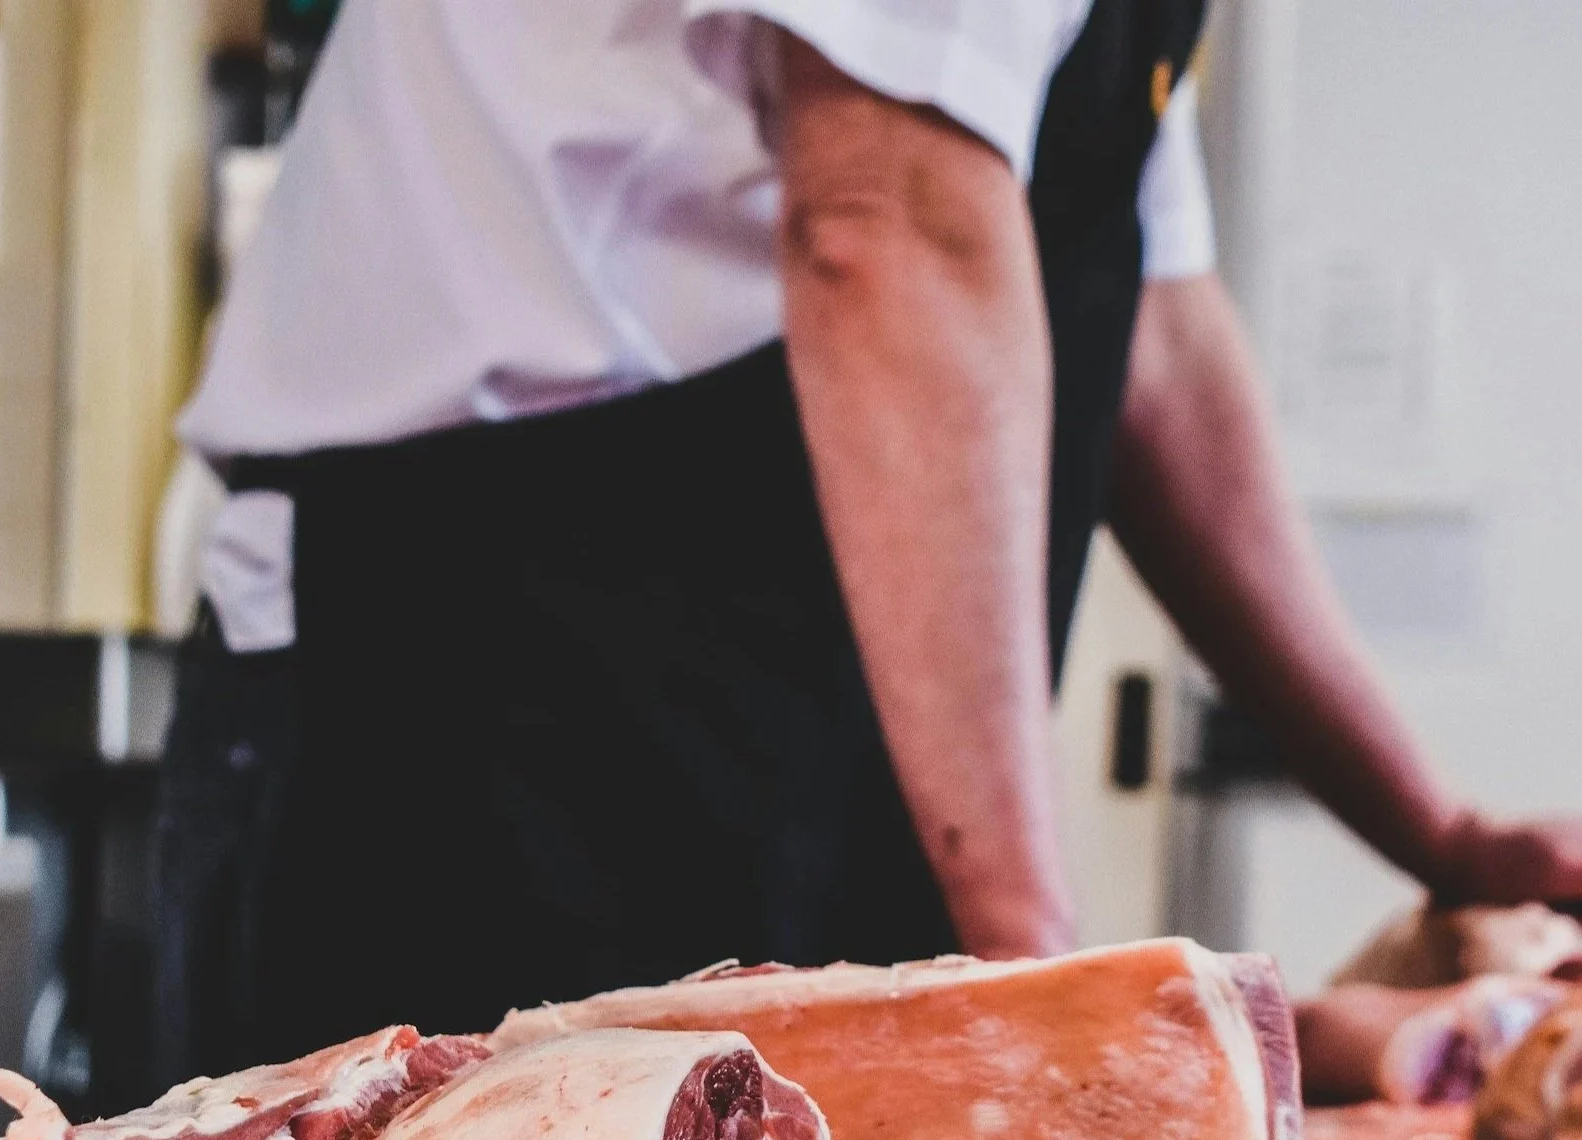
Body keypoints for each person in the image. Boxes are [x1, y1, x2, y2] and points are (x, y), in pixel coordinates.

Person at [168, 0, 1582, 1060]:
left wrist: (1444, 835)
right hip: (479, 688)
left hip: (757, 694)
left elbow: (1150, 332)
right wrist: (1044, 972)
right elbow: (882, 216)